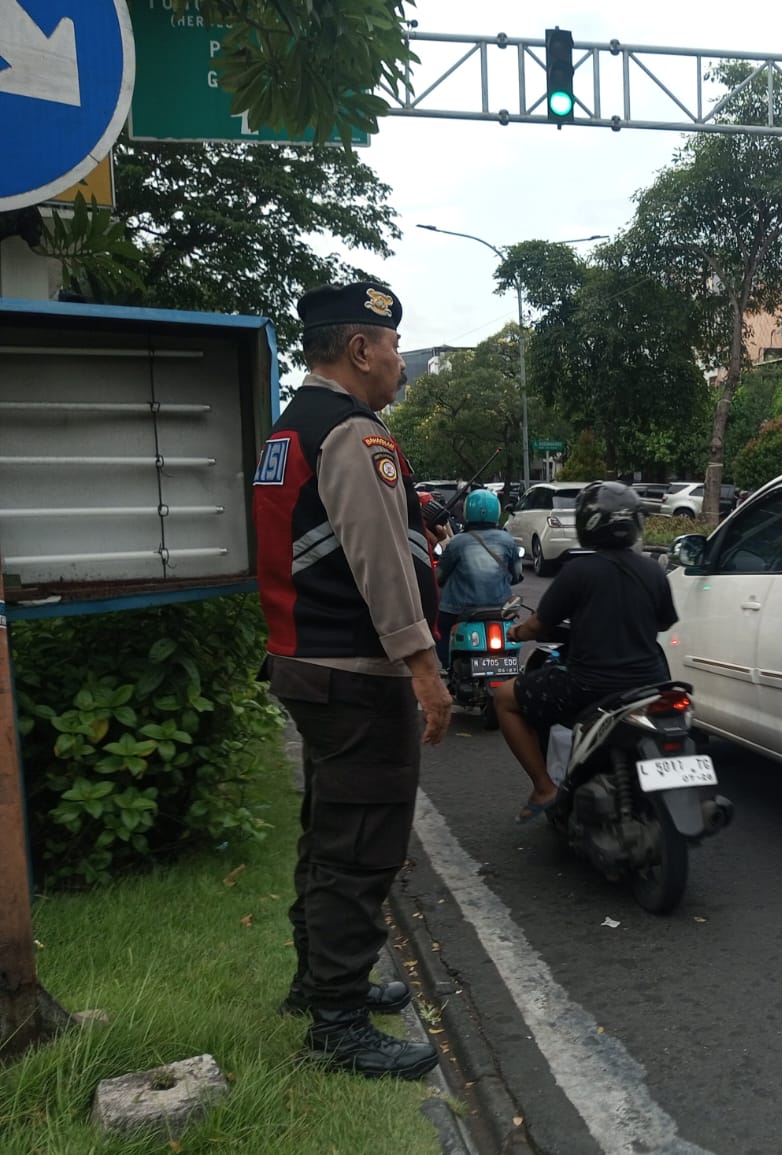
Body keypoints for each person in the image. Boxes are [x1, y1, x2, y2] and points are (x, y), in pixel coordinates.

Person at [252, 281, 450, 1081]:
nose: (399, 361)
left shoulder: (290, 427)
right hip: (355, 672)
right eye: (393, 346)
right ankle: (336, 1022)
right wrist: (424, 667)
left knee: (330, 832)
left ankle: (319, 983)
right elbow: (381, 562)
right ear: (361, 349)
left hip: (307, 661)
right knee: (362, 845)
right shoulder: (353, 432)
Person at [494, 481, 678, 821]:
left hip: (589, 686)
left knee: (504, 698)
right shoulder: (653, 570)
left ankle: (544, 787)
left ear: (587, 523)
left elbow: (540, 626)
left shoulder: (578, 571)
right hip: (651, 684)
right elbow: (665, 623)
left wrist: (517, 631)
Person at [435, 488, 523, 669]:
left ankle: (446, 667)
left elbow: (439, 576)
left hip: (460, 610)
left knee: (440, 628)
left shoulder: (457, 542)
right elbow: (516, 575)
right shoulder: (508, 541)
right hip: (500, 608)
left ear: (467, 511)